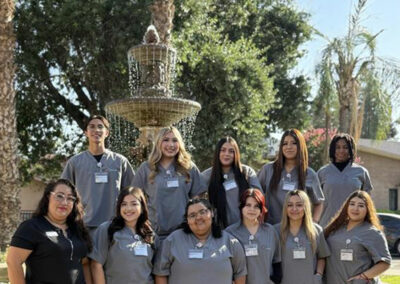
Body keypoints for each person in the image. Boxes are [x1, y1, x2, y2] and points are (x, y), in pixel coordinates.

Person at [7, 179, 92, 284]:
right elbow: (13, 262)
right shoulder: (31, 227)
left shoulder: (77, 229)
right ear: (48, 197)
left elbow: (85, 264)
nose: (64, 202)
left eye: (70, 198)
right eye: (59, 196)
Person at [61, 115, 135, 231]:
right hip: (83, 227)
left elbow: (133, 193)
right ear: (86, 132)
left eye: (100, 127)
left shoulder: (120, 161)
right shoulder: (74, 163)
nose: (96, 130)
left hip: (114, 226)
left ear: (107, 133)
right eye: (92, 127)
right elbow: (63, 193)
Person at [133, 126, 206, 239]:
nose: (171, 145)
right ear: (158, 143)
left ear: (180, 144)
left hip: (184, 233)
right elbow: (134, 197)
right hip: (154, 233)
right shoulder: (146, 168)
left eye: (175, 140)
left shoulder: (188, 167)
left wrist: (192, 220)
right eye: (166, 140)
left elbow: (198, 197)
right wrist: (142, 221)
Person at [153, 198, 247, 284]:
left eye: (202, 212)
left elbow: (240, 273)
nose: (198, 217)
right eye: (192, 215)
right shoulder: (173, 240)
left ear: (212, 213)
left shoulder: (230, 242)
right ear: (187, 220)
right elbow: (160, 273)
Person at [258, 129, 324, 224]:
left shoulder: (309, 174)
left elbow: (319, 202)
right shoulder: (268, 169)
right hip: (271, 229)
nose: (289, 147)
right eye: (285, 143)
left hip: (298, 230)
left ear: (300, 145)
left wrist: (314, 223)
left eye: (293, 143)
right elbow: (256, 197)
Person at [90, 187, 154, 284]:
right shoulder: (107, 229)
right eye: (124, 204)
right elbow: (96, 265)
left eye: (134, 204)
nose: (128, 208)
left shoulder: (150, 233)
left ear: (142, 207)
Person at [324, 191, 391, 284]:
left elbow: (385, 263)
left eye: (361, 205)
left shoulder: (372, 233)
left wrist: (362, 277)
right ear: (346, 206)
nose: (355, 208)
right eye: (352, 204)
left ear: (367, 209)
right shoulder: (334, 229)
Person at [202, 137, 261, 228]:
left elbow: (259, 198)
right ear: (218, 152)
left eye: (231, 151)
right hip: (220, 230)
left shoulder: (246, 172)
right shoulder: (207, 175)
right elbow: (195, 196)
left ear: (236, 154)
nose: (227, 154)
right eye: (223, 150)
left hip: (245, 228)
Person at [226, 188, 282, 284]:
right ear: (241, 207)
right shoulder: (230, 233)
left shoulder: (270, 231)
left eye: (256, 206)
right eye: (248, 205)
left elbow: (277, 261)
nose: (252, 209)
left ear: (261, 210)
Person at [274, 190, 330, 284]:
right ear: (285, 208)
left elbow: (322, 256)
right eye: (290, 205)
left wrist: (318, 275)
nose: (294, 209)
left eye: (299, 205)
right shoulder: (275, 231)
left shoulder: (316, 230)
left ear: (306, 207)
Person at [318, 133, 373, 227]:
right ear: (332, 150)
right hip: (326, 226)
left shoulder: (361, 172)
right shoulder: (322, 173)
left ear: (351, 150)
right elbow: (314, 203)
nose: (341, 150)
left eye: (345, 147)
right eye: (338, 147)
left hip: (354, 227)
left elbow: (368, 204)